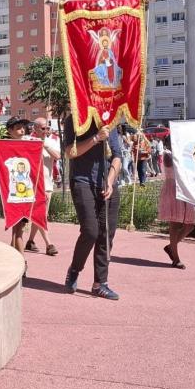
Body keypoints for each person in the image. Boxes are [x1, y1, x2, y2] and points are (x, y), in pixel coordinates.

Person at [63, 116, 122, 300]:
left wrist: (110, 182)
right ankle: (74, 269)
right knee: (90, 231)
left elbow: (117, 156)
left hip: (106, 184)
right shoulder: (73, 119)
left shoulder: (109, 121)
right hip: (82, 181)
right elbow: (70, 152)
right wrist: (96, 138)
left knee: (106, 234)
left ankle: (100, 284)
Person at [158, 139, 195, 269]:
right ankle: (176, 258)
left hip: (184, 189)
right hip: (173, 190)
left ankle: (171, 247)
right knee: (174, 224)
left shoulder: (185, 155)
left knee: (190, 224)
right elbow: (172, 164)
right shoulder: (167, 154)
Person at [25, 117, 60, 256]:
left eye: (47, 128)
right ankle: (48, 244)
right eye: (43, 128)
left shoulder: (52, 141)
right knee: (40, 215)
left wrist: (45, 145)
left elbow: (57, 156)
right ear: (35, 128)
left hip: (47, 184)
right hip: (32, 184)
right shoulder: (28, 140)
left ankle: (30, 241)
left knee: (40, 214)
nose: (46, 131)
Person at [5, 117, 32, 255]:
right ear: (10, 131)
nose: (22, 130)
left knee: (18, 229)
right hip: (13, 193)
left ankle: (13, 256)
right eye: (18, 128)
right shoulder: (5, 147)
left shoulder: (31, 144)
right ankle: (22, 261)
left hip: (27, 193)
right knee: (17, 230)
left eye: (23, 127)